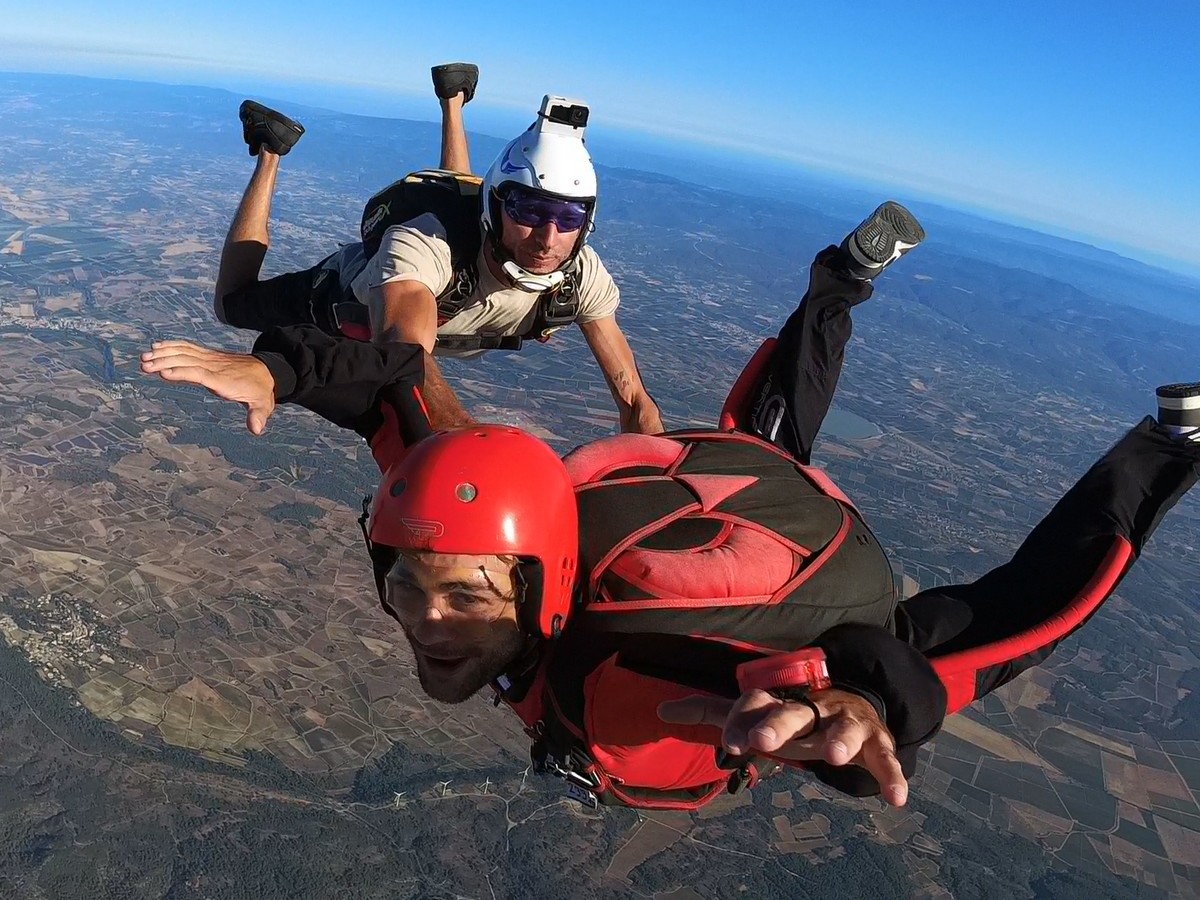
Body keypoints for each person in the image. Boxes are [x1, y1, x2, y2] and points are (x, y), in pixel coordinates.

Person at [141, 204, 1200, 813]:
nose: (427, 619)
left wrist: (865, 709)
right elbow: (389, 383)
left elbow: (832, 690)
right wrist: (278, 370)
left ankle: (1167, 447)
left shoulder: (636, 652)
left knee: (1022, 622)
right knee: (763, 435)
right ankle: (838, 282)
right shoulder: (475, 512)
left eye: (461, 594)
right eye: (409, 586)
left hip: (831, 620)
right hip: (721, 493)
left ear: (537, 584)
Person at [213, 65, 663, 435]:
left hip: (466, 236)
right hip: (341, 296)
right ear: (499, 204)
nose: (548, 239)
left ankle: (452, 100)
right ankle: (271, 150)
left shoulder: (580, 275)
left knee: (464, 203)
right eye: (527, 211)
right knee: (231, 305)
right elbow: (407, 357)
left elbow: (634, 400)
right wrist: (466, 440)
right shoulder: (422, 245)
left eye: (569, 219)